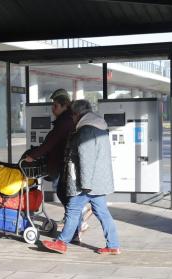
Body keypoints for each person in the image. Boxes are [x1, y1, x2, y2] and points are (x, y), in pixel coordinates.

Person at [41, 99, 121, 255]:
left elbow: (86, 160)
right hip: (98, 180)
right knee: (102, 212)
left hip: (86, 183)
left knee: (72, 210)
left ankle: (62, 242)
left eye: (72, 115)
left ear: (76, 114)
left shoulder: (86, 131)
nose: (72, 118)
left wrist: (85, 185)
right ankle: (113, 245)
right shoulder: (100, 126)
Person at [25, 89, 92, 240]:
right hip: (62, 165)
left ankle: (75, 229)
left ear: (64, 106)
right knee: (68, 199)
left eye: (55, 105)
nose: (52, 109)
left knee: (67, 199)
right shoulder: (66, 120)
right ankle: (76, 228)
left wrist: (32, 156)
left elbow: (50, 143)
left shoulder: (64, 122)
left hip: (61, 166)